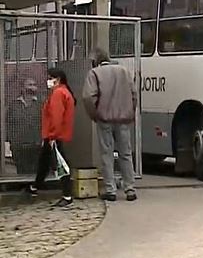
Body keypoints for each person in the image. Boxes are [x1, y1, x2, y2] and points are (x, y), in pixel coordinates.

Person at [82, 48, 138, 201]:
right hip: (123, 119)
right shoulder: (124, 71)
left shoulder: (94, 73)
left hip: (105, 119)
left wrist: (95, 114)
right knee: (125, 153)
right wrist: (130, 111)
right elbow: (134, 95)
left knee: (107, 154)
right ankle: (130, 188)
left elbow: (88, 97)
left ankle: (110, 189)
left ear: (95, 61)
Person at [26, 69, 76, 207]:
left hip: (54, 135)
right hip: (56, 134)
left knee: (60, 164)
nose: (48, 81)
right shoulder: (65, 92)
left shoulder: (58, 93)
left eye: (50, 78)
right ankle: (35, 187)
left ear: (57, 79)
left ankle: (67, 195)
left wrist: (52, 135)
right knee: (45, 161)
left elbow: (56, 116)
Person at [8, 77, 42, 175]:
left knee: (35, 170)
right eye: (29, 85)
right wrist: (11, 141)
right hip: (19, 144)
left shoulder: (40, 104)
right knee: (22, 170)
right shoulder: (14, 105)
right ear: (22, 88)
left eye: (34, 85)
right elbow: (9, 123)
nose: (32, 87)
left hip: (36, 144)